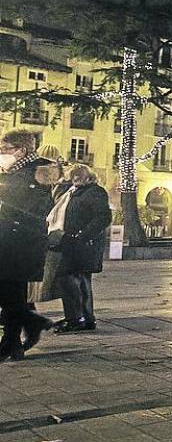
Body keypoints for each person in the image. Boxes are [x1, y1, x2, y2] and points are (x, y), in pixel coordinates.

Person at [0, 130, 55, 362]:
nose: (2, 154)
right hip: (14, 242)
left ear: (21, 151)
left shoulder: (30, 175)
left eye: (5, 149)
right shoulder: (19, 174)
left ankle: (32, 324)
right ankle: (14, 343)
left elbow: (27, 211)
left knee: (10, 293)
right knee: (12, 294)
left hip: (18, 243)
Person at [48, 165, 111, 333]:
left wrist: (83, 236)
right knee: (79, 280)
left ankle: (77, 318)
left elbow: (104, 217)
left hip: (83, 245)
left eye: (79, 175)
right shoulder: (72, 192)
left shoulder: (95, 192)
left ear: (90, 177)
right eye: (73, 175)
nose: (75, 178)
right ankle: (84, 318)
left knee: (71, 278)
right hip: (71, 242)